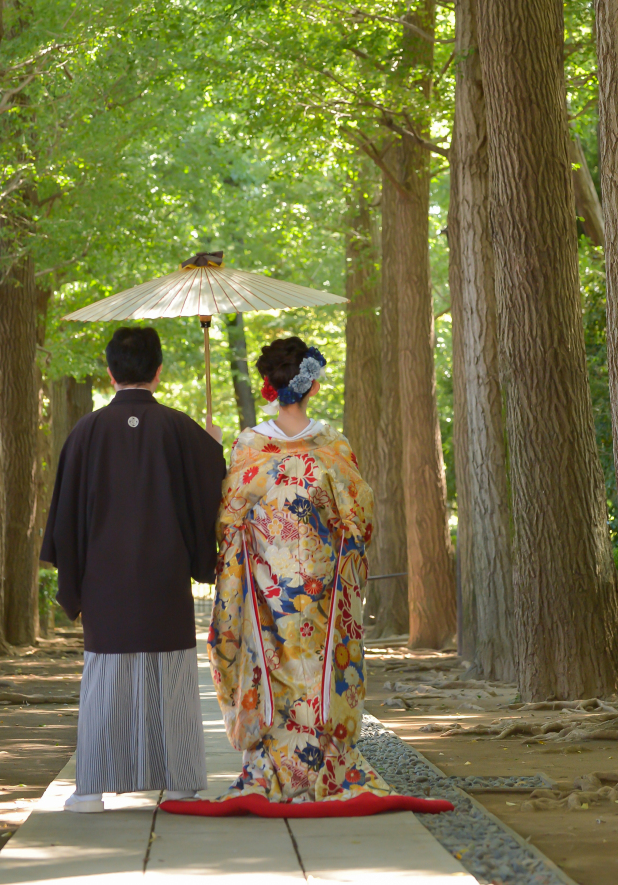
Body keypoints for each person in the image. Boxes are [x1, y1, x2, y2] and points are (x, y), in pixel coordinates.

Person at [40, 326, 225, 813]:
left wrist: (75, 579)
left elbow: (66, 516)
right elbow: (212, 492)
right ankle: (180, 783)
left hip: (105, 579)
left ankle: (90, 790)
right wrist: (212, 449)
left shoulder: (85, 432)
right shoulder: (181, 429)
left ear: (110, 372)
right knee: (173, 678)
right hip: (165, 576)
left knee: (105, 680)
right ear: (158, 371)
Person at [208, 336, 389, 802]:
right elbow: (360, 517)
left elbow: (228, 520)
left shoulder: (250, 445)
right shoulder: (332, 445)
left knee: (269, 667)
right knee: (320, 669)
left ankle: (272, 766)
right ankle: (325, 764)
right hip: (322, 584)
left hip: (266, 584)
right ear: (312, 385)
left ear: (268, 386)